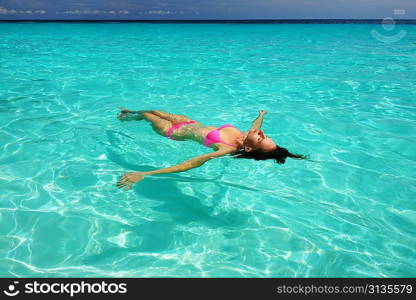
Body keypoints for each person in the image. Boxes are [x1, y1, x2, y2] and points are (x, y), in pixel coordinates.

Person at [116, 108, 307, 190]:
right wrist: (261, 114)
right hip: (189, 122)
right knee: (155, 111)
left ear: (249, 149)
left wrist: (145, 173)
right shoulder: (247, 135)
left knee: (150, 116)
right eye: (265, 136)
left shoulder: (226, 148)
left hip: (172, 132)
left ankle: (130, 117)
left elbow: (189, 164)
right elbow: (256, 124)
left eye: (261, 138)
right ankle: (131, 114)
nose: (262, 133)